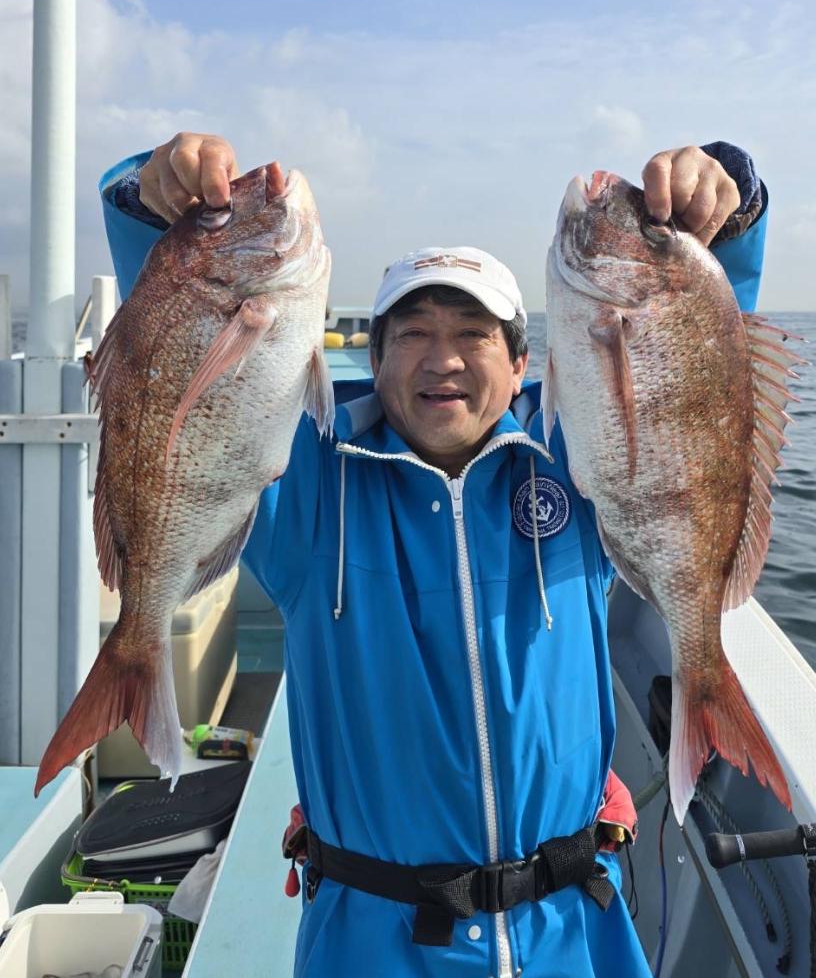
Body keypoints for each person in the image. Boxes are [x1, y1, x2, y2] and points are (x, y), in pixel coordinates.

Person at [99, 134, 768, 978]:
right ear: (372, 359)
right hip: (372, 944)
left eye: (473, 333)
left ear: (522, 364)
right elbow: (177, 365)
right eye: (412, 332)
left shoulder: (579, 468)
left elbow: (697, 376)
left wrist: (725, 214)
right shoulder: (308, 493)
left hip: (576, 933)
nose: (442, 358)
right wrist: (146, 205)